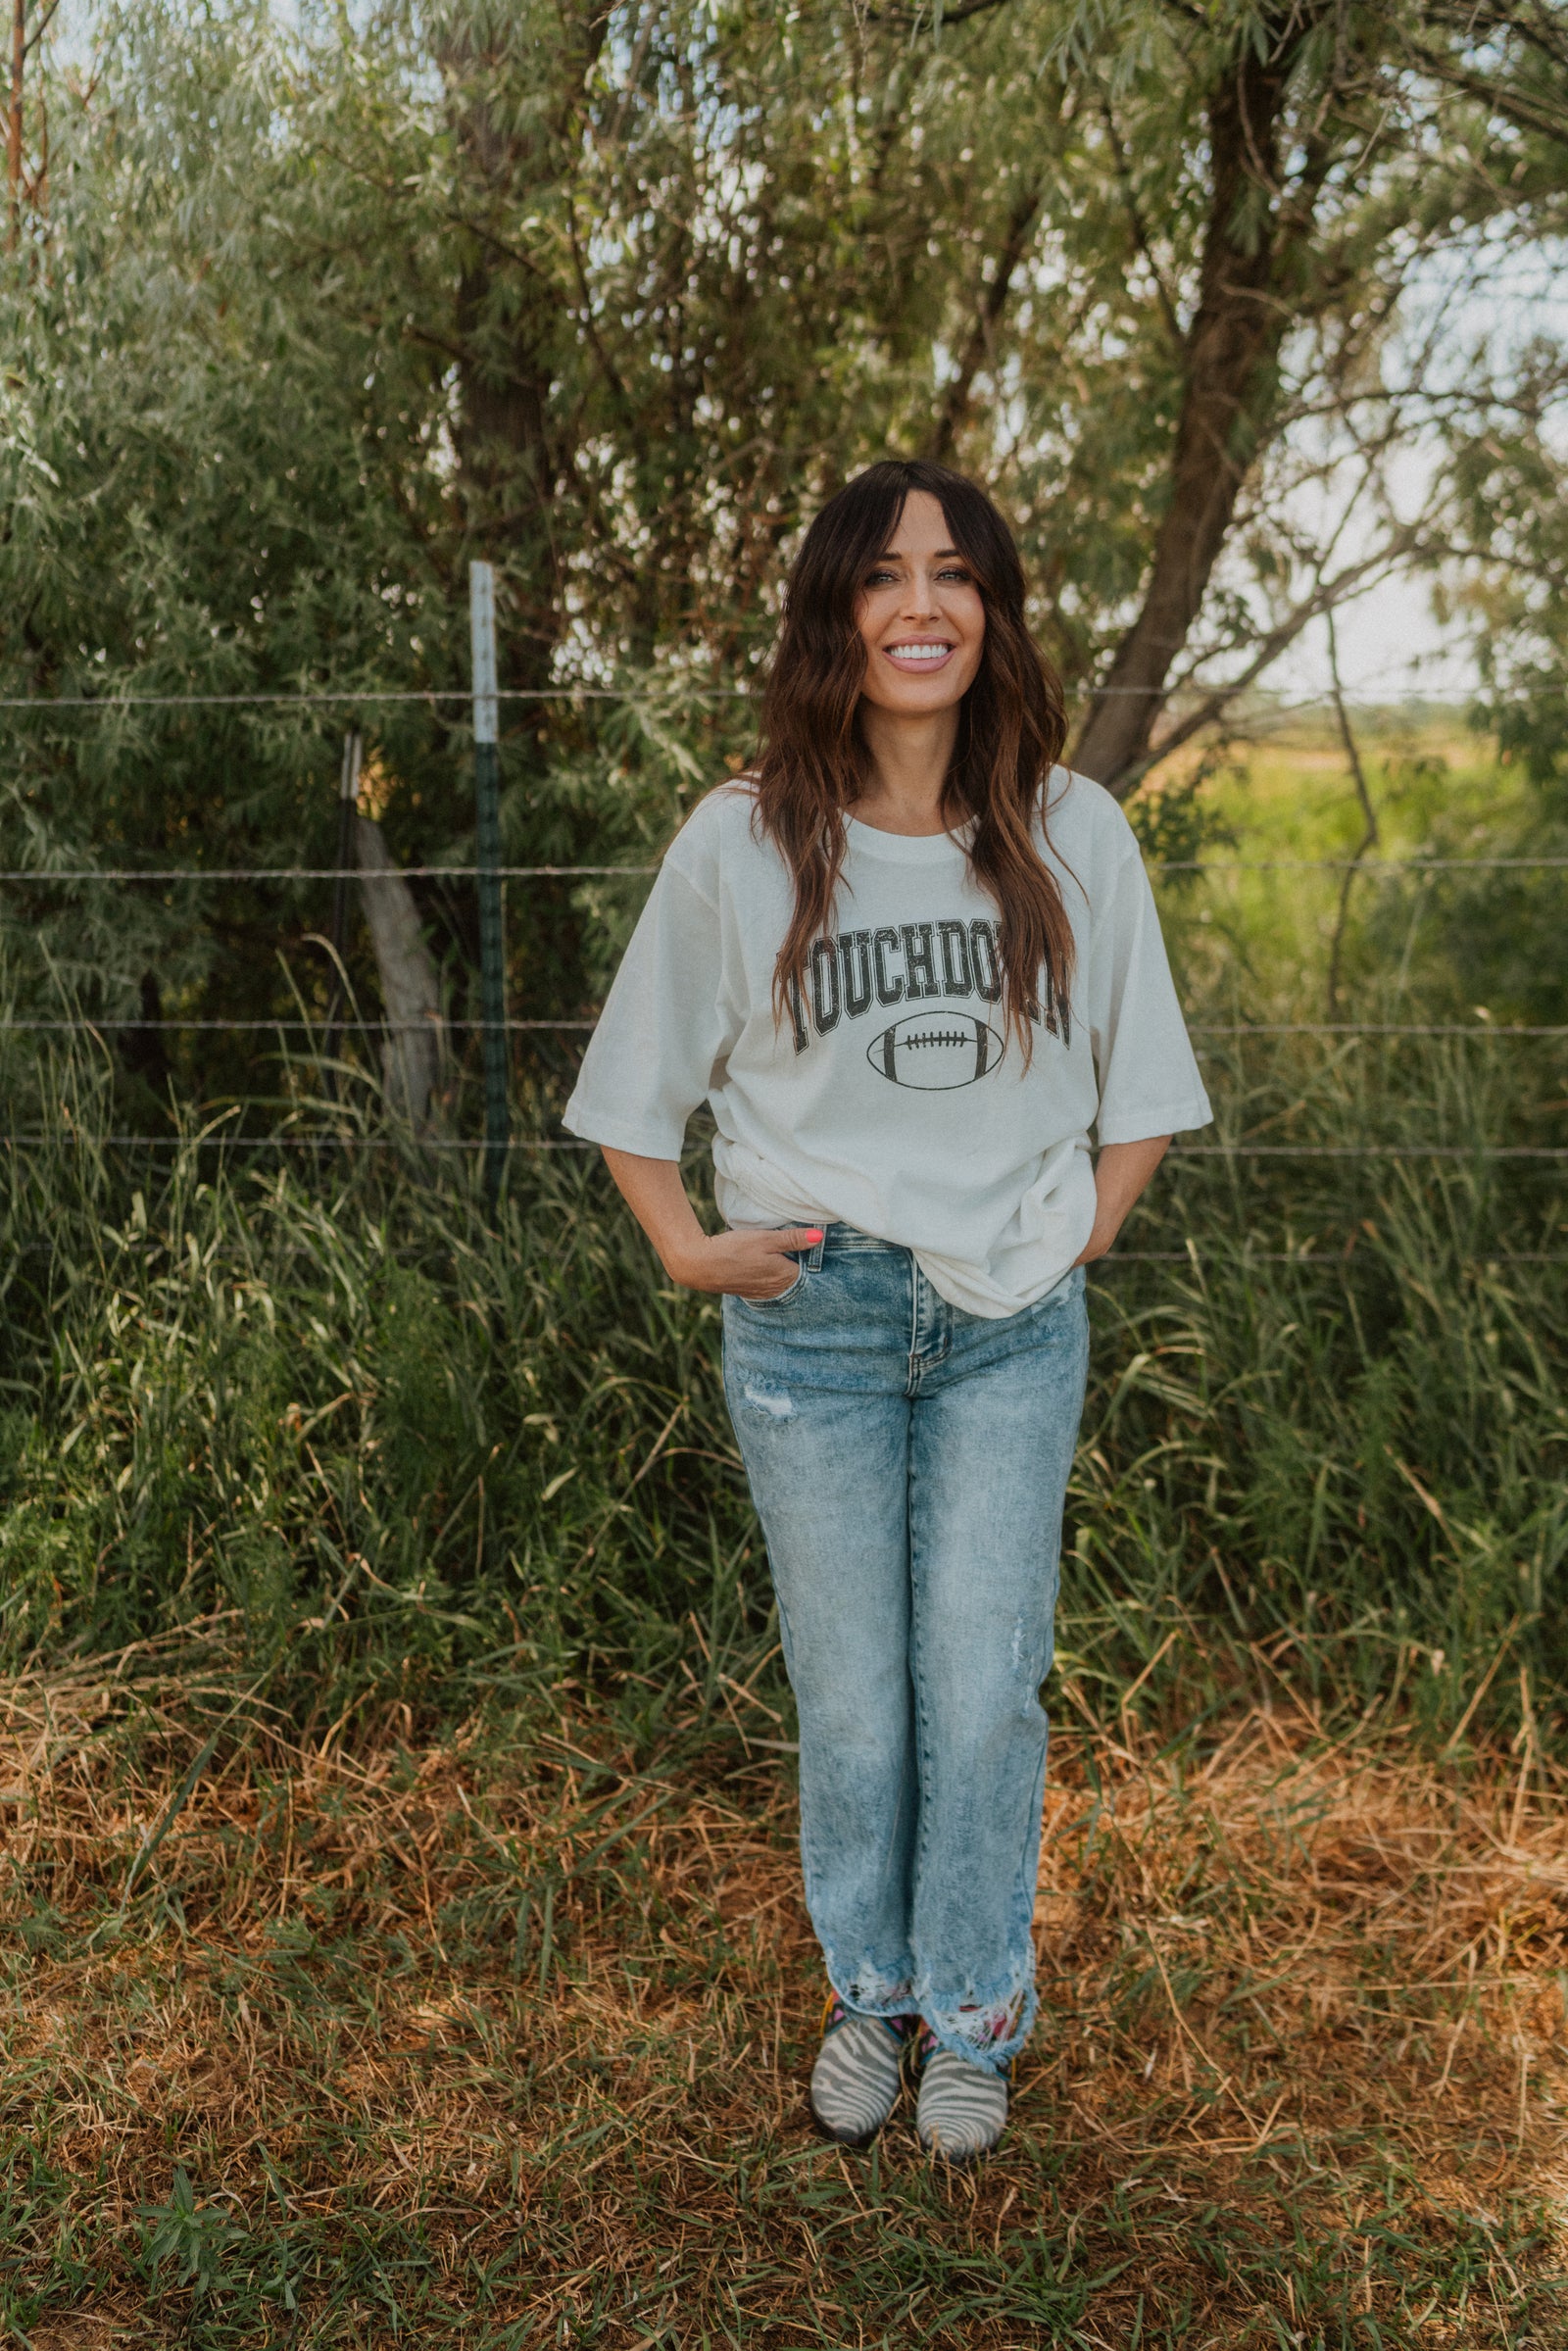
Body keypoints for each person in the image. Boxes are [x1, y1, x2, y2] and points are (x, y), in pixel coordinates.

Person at [564, 458, 1211, 2161]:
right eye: (882, 575)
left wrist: (1081, 1233)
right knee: (856, 1707)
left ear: (992, 613)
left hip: (1008, 1325)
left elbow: (1144, 1084)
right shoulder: (742, 840)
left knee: (985, 1691)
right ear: (833, 615)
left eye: (954, 575)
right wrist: (684, 1247)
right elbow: (634, 1089)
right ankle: (875, 1991)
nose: (920, 606)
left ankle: (975, 2010)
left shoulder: (1071, 832)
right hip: (818, 1321)